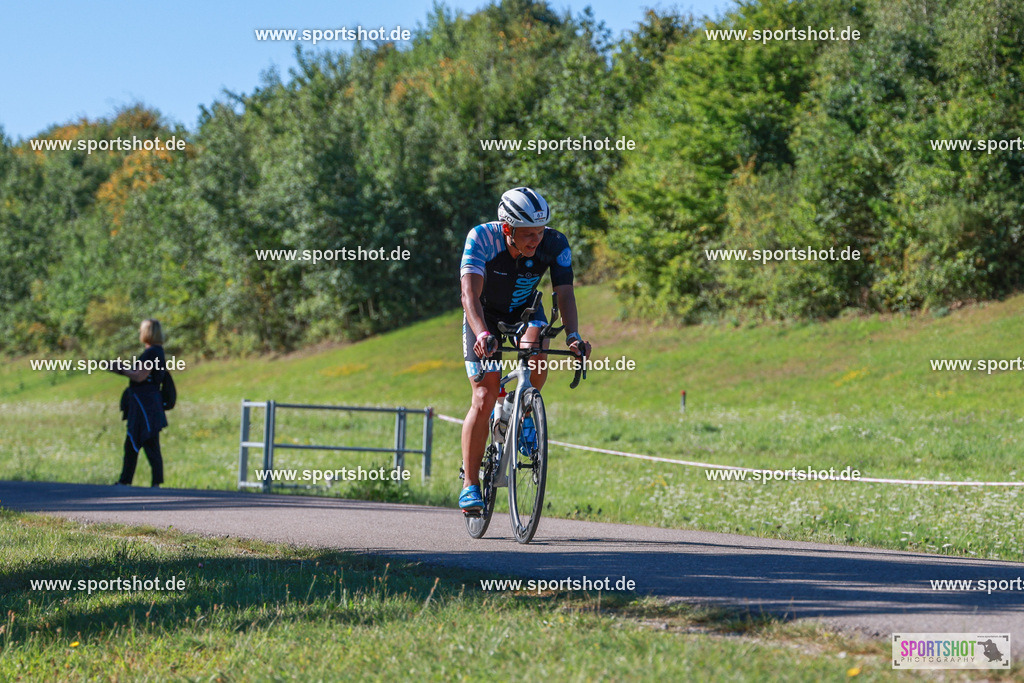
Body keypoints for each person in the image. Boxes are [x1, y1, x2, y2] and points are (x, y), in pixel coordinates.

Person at [458, 187, 591, 511]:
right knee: (484, 395)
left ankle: (525, 410)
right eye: (528, 234)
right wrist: (482, 334)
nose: (536, 240)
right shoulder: (482, 239)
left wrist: (573, 335)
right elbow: (469, 296)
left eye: (540, 231)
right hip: (484, 316)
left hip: (526, 312)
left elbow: (565, 293)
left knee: (536, 356)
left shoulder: (555, 243)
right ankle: (470, 484)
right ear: (507, 229)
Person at [114, 319, 168, 488]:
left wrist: (120, 369)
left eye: (142, 330)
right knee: (146, 441)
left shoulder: (151, 353)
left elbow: (140, 376)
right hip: (150, 402)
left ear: (148, 332)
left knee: (139, 438)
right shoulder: (158, 352)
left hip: (144, 403)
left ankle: (127, 480)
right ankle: (152, 481)